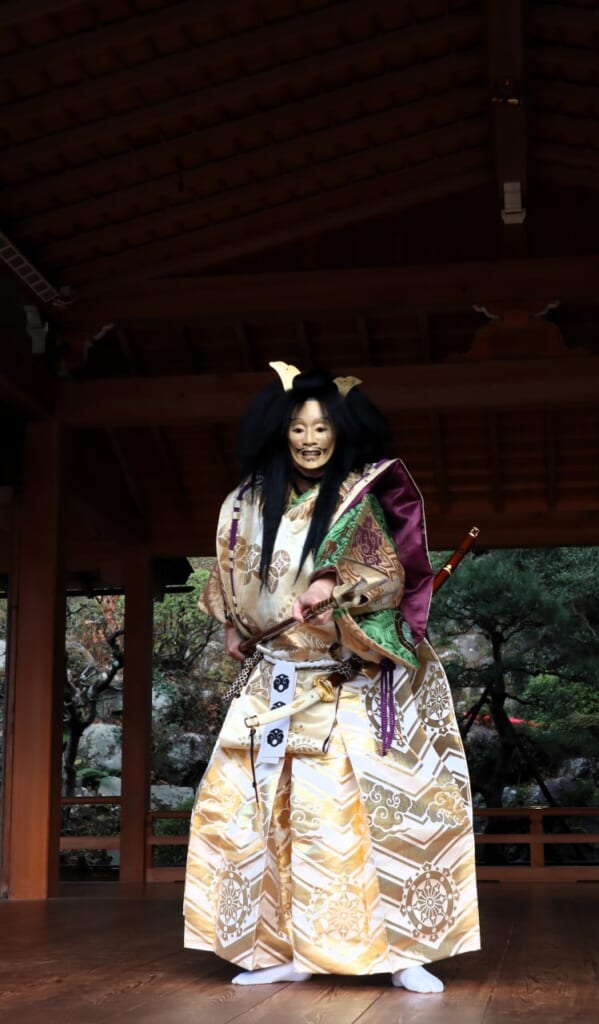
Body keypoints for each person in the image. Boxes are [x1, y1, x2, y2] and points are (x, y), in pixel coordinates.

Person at [183, 362, 480, 993]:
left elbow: (384, 571)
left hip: (353, 681)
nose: (311, 438)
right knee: (273, 818)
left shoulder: (356, 494)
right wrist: (233, 626)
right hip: (276, 682)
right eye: (298, 427)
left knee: (375, 817)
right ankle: (288, 949)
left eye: (322, 427)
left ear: (341, 433)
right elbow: (228, 577)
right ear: (279, 432)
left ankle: (403, 953)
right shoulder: (245, 503)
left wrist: (331, 584)